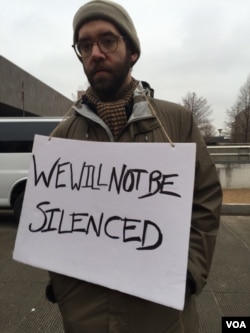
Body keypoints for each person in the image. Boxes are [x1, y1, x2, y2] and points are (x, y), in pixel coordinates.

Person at [46, 1, 222, 332]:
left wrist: (188, 272)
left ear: (132, 51)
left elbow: (206, 200)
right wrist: (61, 286)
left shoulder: (176, 122)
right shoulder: (61, 136)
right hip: (85, 316)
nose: (95, 52)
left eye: (108, 41)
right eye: (85, 45)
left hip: (162, 315)